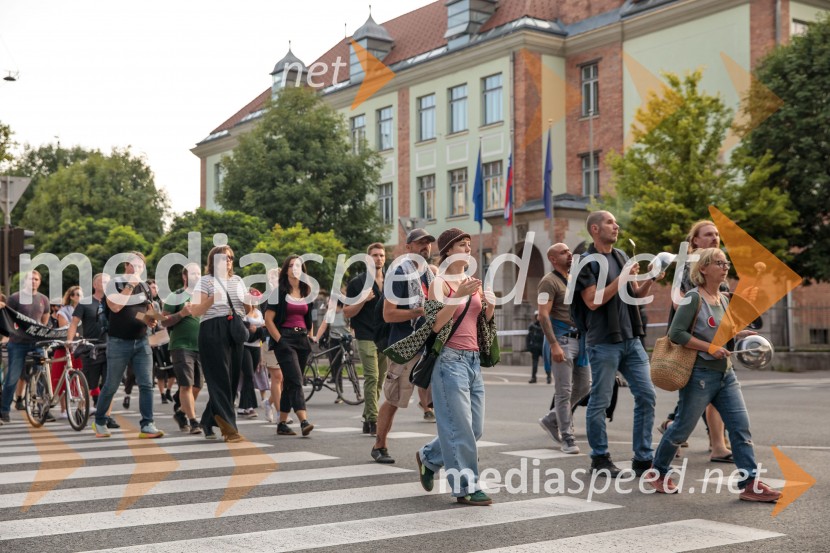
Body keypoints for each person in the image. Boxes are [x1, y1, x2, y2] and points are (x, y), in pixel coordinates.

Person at [648, 248, 781, 502]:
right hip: (700, 375)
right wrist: (710, 348)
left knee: (741, 429)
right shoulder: (692, 299)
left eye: (726, 263)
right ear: (704, 268)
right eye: (719, 263)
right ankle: (657, 472)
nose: (725, 267)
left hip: (726, 375)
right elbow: (677, 334)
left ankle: (750, 483)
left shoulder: (723, 299)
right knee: (681, 429)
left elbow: (726, 331)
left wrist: (743, 335)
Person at [389, 228, 498, 506]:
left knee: (475, 428)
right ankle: (467, 487)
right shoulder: (439, 282)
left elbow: (480, 324)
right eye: (462, 244)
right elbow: (435, 325)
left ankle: (429, 457)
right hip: (449, 361)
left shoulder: (473, 281)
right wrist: (457, 296)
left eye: (469, 244)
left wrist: (490, 308)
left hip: (473, 361)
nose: (468, 248)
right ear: (448, 250)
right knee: (460, 428)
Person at [574, 211, 660, 477]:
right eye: (610, 223)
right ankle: (599, 459)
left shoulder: (621, 255)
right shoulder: (586, 262)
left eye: (615, 222)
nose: (616, 226)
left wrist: (652, 277)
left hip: (631, 338)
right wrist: (622, 277)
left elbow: (632, 294)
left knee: (647, 395)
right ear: (595, 229)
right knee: (599, 402)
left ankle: (643, 459)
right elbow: (593, 300)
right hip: (603, 341)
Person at [660, 220, 732, 462]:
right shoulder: (687, 266)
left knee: (708, 394)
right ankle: (676, 431)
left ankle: (718, 445)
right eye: (708, 234)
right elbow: (676, 301)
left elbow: (723, 302)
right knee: (699, 397)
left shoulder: (720, 265)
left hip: (716, 340)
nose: (714, 237)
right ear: (695, 241)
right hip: (694, 342)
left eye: (717, 234)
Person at [370, 228, 436, 464]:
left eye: (428, 243)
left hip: (427, 344)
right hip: (404, 345)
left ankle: (448, 450)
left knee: (444, 397)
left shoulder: (429, 274)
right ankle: (379, 445)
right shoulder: (398, 273)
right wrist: (420, 311)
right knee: (394, 399)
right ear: (408, 248)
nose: (425, 247)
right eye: (420, 243)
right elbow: (388, 314)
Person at [94, 252, 164, 439]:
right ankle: (100, 420)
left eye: (141, 266)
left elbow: (142, 312)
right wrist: (130, 285)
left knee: (147, 384)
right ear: (126, 265)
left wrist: (152, 320)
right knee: (111, 384)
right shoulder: (114, 284)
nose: (138, 269)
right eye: (135, 265)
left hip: (141, 341)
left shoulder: (145, 287)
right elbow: (116, 307)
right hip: (118, 342)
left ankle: (148, 424)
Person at [537, 243, 592, 454]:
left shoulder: (573, 278)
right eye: (563, 252)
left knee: (584, 387)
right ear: (552, 259)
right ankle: (567, 437)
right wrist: (553, 344)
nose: (569, 254)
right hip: (562, 339)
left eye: (569, 251)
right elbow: (543, 314)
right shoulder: (548, 282)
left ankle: (552, 418)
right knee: (563, 391)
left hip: (581, 340)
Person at [189, 245, 247, 442]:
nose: (228, 260)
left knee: (230, 381)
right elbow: (195, 311)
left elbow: (248, 311)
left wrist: (250, 302)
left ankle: (207, 420)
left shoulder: (238, 281)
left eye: (230, 257)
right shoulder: (205, 281)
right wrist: (213, 299)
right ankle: (229, 429)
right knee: (219, 379)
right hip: (212, 329)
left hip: (235, 330)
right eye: (223, 258)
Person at [264, 255, 315, 437]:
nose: (295, 268)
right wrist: (280, 341)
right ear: (286, 270)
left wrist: (310, 336)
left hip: (302, 340)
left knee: (290, 382)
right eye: (291, 265)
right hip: (285, 339)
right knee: (295, 380)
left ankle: (282, 423)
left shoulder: (306, 291)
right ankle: (303, 421)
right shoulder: (278, 292)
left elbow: (309, 318)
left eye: (298, 266)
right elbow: (268, 320)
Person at [343, 242, 387, 435]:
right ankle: (373, 420)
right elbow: (346, 312)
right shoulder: (357, 283)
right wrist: (363, 299)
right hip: (365, 335)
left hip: (385, 336)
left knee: (380, 381)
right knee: (372, 376)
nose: (379, 258)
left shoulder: (390, 281)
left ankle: (367, 415)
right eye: (375, 255)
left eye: (381, 255)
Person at [1, 270, 51, 423]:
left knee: (41, 375)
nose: (33, 281)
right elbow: (7, 317)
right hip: (17, 344)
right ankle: (4, 410)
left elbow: (44, 321)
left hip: (36, 344)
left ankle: (42, 409)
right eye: (31, 279)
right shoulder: (15, 298)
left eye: (36, 279)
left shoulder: (43, 299)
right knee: (12, 378)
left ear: (39, 282)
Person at [161, 263, 203, 434]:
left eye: (199, 273)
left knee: (197, 386)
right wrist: (182, 314)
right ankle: (193, 421)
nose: (197, 276)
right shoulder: (176, 296)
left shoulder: (203, 296)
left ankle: (180, 413)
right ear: (185, 277)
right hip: (181, 346)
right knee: (186, 385)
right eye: (193, 273)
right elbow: (163, 321)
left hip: (201, 347)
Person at [67, 274, 111, 423]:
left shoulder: (113, 302)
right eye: (102, 281)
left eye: (107, 281)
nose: (105, 284)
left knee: (109, 384)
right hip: (91, 347)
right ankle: (81, 407)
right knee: (89, 384)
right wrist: (69, 340)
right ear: (95, 284)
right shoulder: (85, 303)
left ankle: (106, 417)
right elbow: (74, 323)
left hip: (110, 347)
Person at [238, 291, 265, 418]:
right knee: (248, 374)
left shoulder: (259, 312)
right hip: (245, 346)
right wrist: (254, 328)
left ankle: (243, 407)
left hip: (256, 346)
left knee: (250, 376)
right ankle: (249, 406)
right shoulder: (242, 312)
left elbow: (264, 328)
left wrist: (257, 329)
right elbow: (243, 327)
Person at [263, 267, 284, 424]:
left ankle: (268, 402)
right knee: (277, 377)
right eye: (272, 278)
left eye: (277, 277)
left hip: (287, 340)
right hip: (270, 340)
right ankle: (280, 413)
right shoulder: (267, 297)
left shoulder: (287, 295)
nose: (275, 280)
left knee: (283, 379)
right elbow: (266, 320)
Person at [526, 311, 544, 383]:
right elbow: (528, 337)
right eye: (537, 316)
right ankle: (533, 377)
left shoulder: (545, 325)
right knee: (535, 363)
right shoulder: (532, 326)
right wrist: (529, 347)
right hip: (535, 347)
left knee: (547, 362)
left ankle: (549, 377)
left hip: (543, 346)